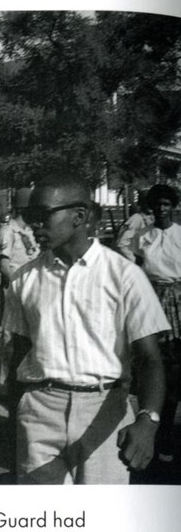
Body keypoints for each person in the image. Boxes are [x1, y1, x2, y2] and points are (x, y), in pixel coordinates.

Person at [6, 172, 168, 484]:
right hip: (39, 411)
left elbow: (150, 358)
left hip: (104, 409)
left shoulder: (123, 275)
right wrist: (18, 414)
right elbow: (18, 353)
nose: (33, 225)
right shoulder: (24, 279)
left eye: (42, 215)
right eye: (29, 216)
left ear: (79, 216)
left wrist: (148, 422)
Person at [131, 184, 181, 463]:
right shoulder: (142, 237)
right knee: (157, 364)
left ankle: (168, 436)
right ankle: (153, 434)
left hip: (180, 299)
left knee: (177, 364)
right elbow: (137, 271)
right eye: (157, 204)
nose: (162, 209)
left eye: (166, 204)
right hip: (152, 300)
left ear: (173, 205)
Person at [0, 188, 39, 390]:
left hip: (33, 292)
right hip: (14, 290)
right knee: (10, 338)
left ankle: (22, 382)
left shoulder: (30, 231)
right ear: (24, 209)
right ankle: (5, 384)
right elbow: (4, 265)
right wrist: (21, 288)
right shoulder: (7, 232)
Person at [116, 190, 153, 261]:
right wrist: (135, 261)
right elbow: (122, 244)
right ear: (142, 204)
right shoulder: (137, 219)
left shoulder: (152, 218)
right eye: (147, 202)